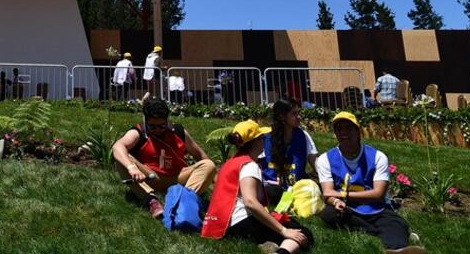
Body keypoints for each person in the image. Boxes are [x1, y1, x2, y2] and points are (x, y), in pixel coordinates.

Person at [317, 112, 425, 254]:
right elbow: (328, 193)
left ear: (357, 131)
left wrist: (343, 194)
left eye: (348, 128)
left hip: (376, 207)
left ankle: (397, 249)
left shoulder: (378, 157)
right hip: (347, 209)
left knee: (394, 220)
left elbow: (378, 194)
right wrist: (336, 201)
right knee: (329, 214)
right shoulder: (325, 159)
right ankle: (379, 231)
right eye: (339, 129)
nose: (344, 133)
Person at [201, 119, 313, 253]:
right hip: (241, 222)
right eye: (262, 138)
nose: (264, 142)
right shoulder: (249, 165)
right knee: (302, 233)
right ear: (256, 142)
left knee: (290, 223)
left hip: (223, 224)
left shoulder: (231, 163)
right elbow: (250, 202)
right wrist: (283, 230)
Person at [111, 98, 215, 220]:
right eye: (152, 126)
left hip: (178, 178)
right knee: (122, 158)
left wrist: (218, 183)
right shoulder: (139, 132)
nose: (157, 130)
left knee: (208, 165)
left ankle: (183, 200)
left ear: (167, 120)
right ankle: (151, 200)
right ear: (145, 120)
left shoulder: (178, 131)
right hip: (150, 177)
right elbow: (118, 146)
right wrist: (132, 168)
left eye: (162, 126)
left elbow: (201, 156)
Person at [262, 99, 318, 205]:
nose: (298, 117)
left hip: (296, 187)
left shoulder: (303, 136)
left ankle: (289, 200)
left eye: (299, 113)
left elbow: (316, 164)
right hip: (272, 186)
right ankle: (286, 202)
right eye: (294, 114)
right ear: (281, 116)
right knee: (272, 191)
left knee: (312, 188)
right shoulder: (265, 139)